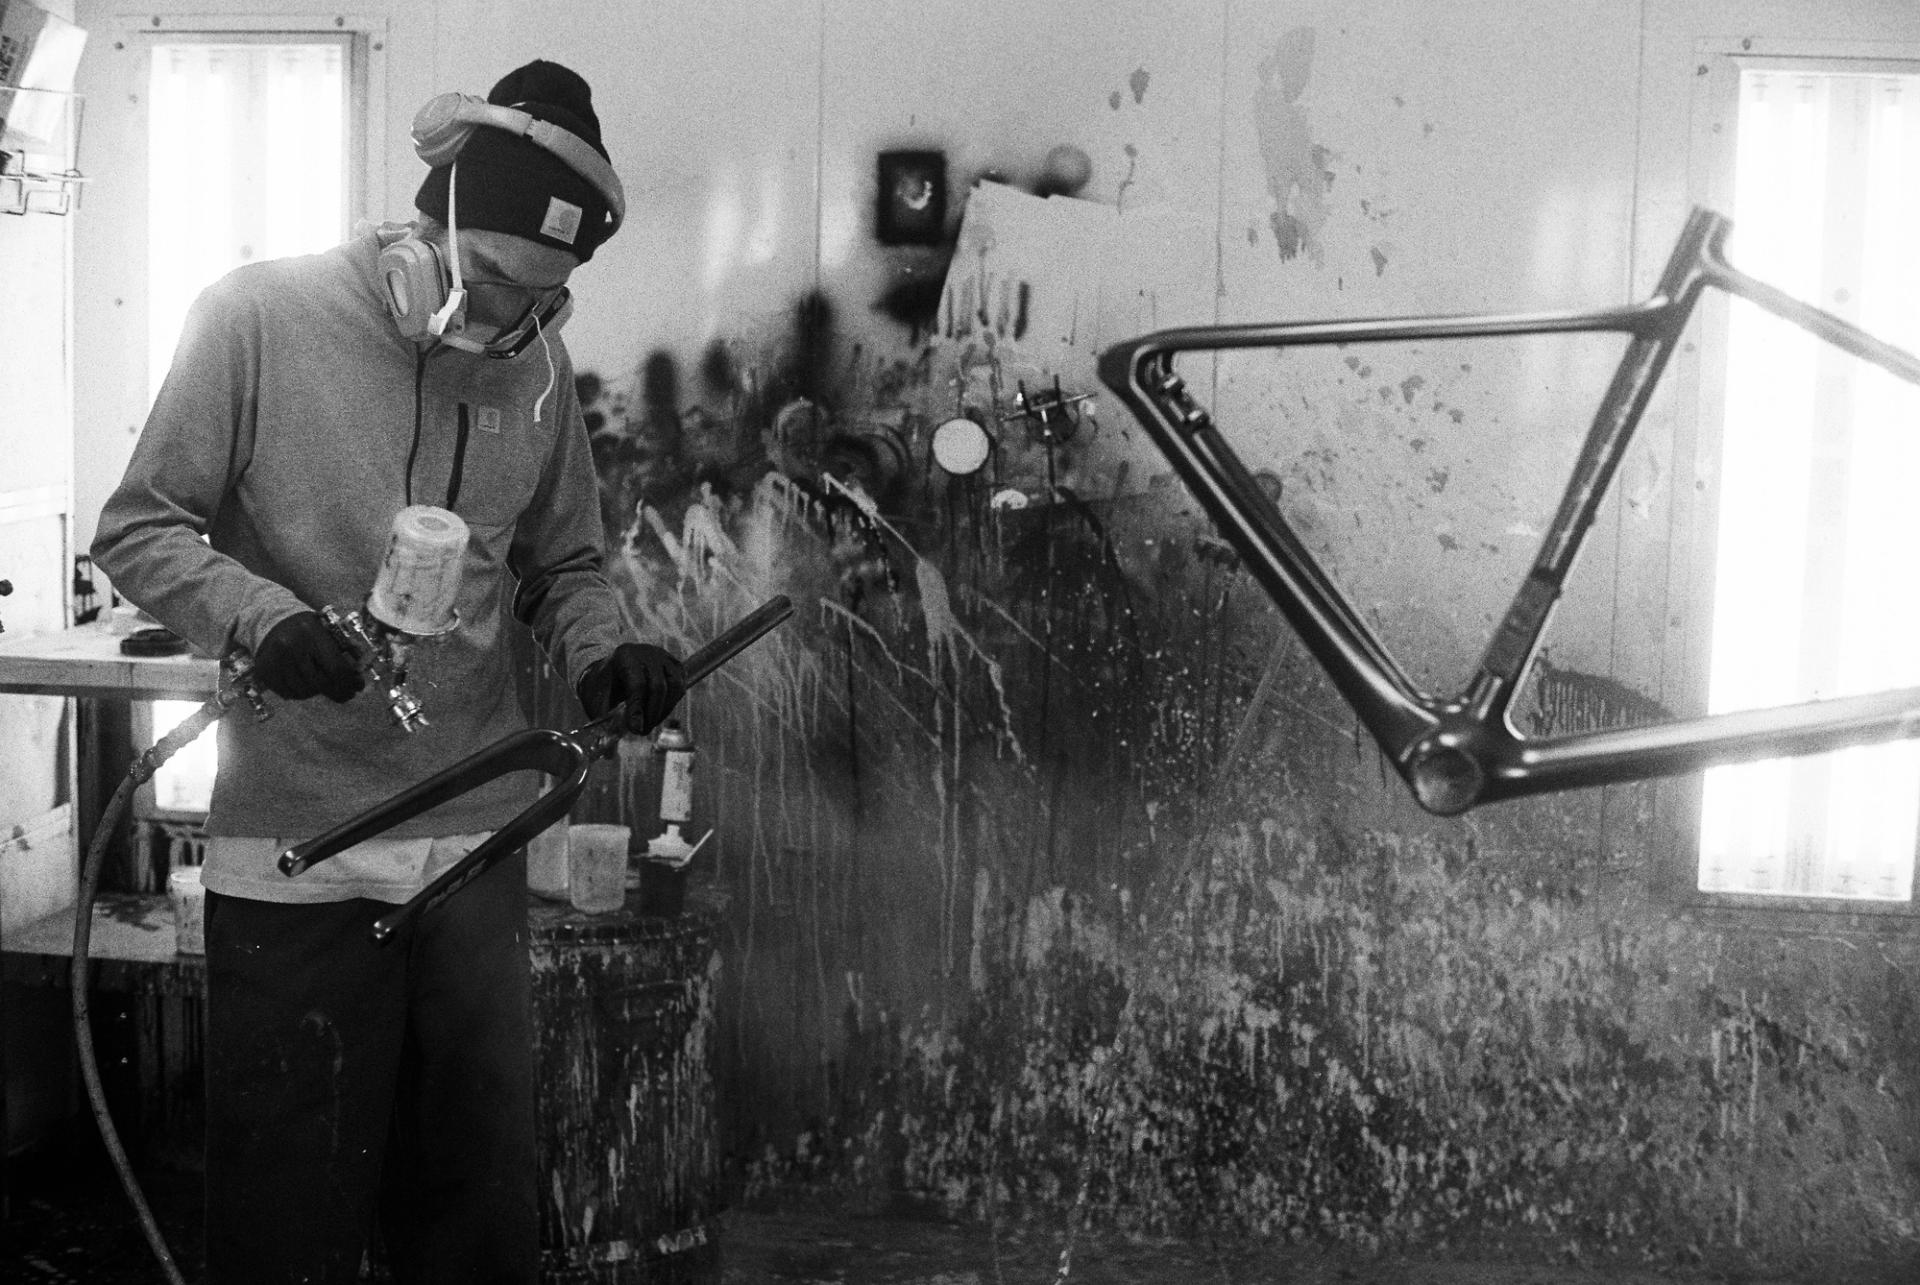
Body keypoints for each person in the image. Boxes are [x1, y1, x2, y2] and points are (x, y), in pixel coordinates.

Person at [91, 60, 682, 1284]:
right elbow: (140, 528)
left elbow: (565, 561)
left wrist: (601, 653)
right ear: (434, 229)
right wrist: (261, 619)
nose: (514, 321)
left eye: (548, 299)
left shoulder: (534, 363)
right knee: (286, 1226)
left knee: (473, 1221)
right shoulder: (257, 318)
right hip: (299, 852)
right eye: (500, 282)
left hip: (471, 849)